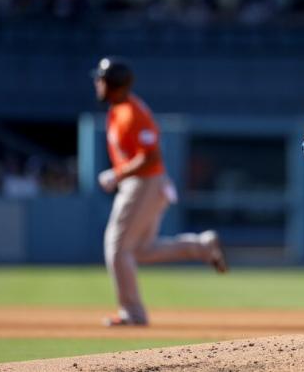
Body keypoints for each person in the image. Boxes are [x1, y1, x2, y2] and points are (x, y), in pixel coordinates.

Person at [93, 56, 228, 327]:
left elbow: (151, 157)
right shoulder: (117, 110)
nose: (97, 84)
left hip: (145, 183)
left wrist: (117, 174)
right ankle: (201, 247)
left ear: (114, 84)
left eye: (101, 79)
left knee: (117, 248)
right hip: (145, 183)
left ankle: (133, 314)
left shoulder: (133, 112)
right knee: (140, 250)